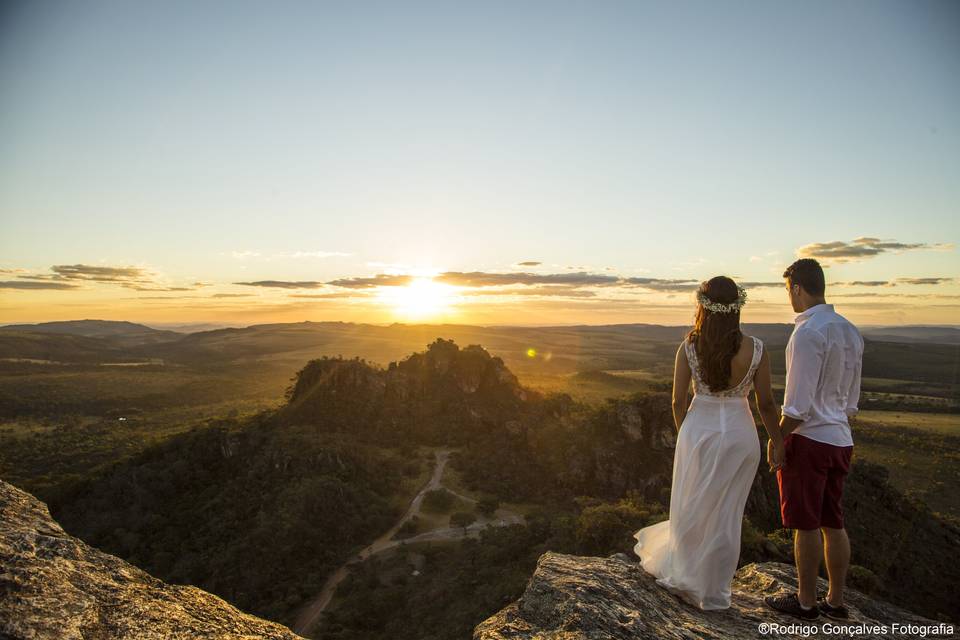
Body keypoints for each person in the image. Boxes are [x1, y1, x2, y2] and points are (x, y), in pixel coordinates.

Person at [633, 276, 784, 610]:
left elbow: (676, 400)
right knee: (727, 513)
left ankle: (687, 574)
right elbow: (767, 404)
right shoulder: (756, 348)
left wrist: (685, 431)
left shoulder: (689, 346)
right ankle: (715, 589)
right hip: (741, 435)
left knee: (691, 505)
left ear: (703, 306)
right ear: (737, 308)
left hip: (698, 429)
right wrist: (778, 441)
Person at [764, 258, 863, 621]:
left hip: (808, 440)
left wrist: (776, 439)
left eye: (787, 290)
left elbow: (797, 406)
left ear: (796, 288)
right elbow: (851, 400)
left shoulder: (806, 333)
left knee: (805, 524)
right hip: (840, 438)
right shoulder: (850, 331)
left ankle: (805, 601)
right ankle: (835, 601)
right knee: (833, 521)